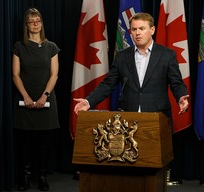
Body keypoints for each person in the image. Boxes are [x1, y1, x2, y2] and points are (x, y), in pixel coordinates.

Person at [74, 12, 189, 182]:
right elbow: (108, 84)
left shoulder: (167, 55)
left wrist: (180, 97)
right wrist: (89, 101)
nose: (137, 33)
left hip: (156, 118)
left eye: (142, 28)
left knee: (153, 170)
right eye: (134, 29)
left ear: (152, 29)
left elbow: (176, 82)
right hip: (129, 119)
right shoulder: (122, 56)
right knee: (129, 169)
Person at [12, 8, 60, 191]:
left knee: (44, 143)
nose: (34, 24)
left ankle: (41, 176)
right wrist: (25, 96)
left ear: (41, 23)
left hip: (46, 100)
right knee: (24, 143)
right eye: (31, 21)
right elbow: (15, 75)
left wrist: (44, 96)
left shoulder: (51, 47)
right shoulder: (19, 46)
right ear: (26, 25)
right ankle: (24, 177)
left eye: (37, 20)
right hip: (24, 101)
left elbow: (54, 74)